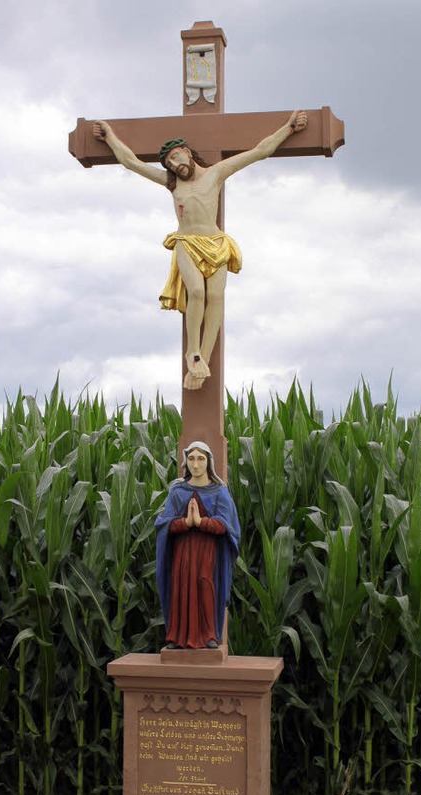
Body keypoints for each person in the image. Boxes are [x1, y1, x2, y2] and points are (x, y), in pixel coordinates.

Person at [93, 112, 308, 389]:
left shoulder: (216, 173)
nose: (173, 164)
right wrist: (110, 136)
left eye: (175, 157)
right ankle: (192, 351)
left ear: (186, 152)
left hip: (215, 243)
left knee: (216, 297)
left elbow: (259, 151)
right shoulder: (172, 184)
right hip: (186, 242)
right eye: (168, 163)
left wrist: (288, 128)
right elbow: (131, 162)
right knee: (196, 292)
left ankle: (201, 363)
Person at [155, 441, 240, 649]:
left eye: (200, 459)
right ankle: (176, 636)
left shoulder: (219, 493)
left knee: (206, 585)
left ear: (209, 462)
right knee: (181, 587)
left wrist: (202, 522)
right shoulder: (177, 491)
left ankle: (210, 634)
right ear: (186, 462)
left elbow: (226, 526)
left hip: (208, 553)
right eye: (191, 459)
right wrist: (185, 523)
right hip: (182, 552)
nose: (195, 464)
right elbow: (164, 523)